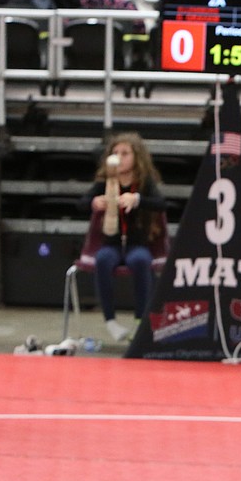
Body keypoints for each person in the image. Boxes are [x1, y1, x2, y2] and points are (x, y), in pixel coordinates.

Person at [75, 132, 168, 342]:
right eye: (116, 152)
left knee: (141, 261)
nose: (120, 157)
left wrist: (137, 199)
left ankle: (140, 320)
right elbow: (81, 203)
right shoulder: (106, 182)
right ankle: (110, 320)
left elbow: (161, 204)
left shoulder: (144, 183)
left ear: (137, 157)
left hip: (137, 244)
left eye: (125, 153)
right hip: (112, 244)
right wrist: (94, 203)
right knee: (103, 260)